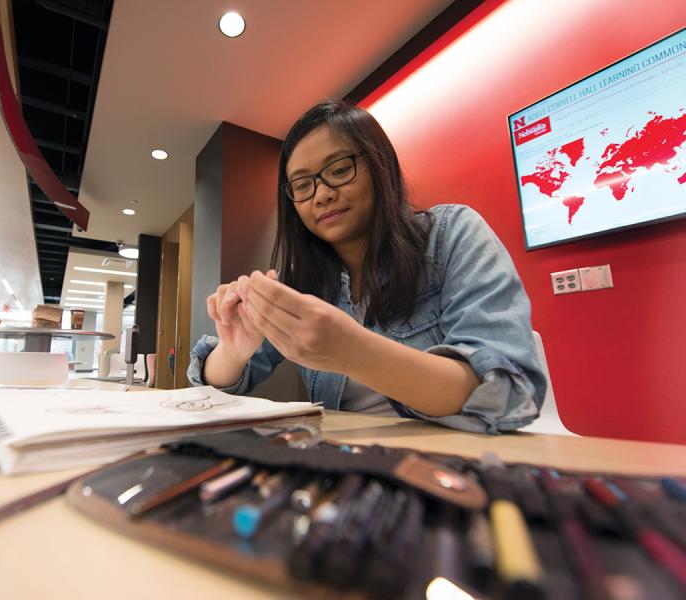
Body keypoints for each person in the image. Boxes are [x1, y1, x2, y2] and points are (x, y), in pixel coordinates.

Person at [187, 100, 546, 434]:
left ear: (379, 164)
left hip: (451, 460)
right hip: (346, 461)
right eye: (302, 185)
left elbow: (507, 394)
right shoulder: (302, 283)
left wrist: (352, 351)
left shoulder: (451, 235)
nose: (322, 194)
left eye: (340, 169)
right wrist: (233, 351)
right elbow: (219, 384)